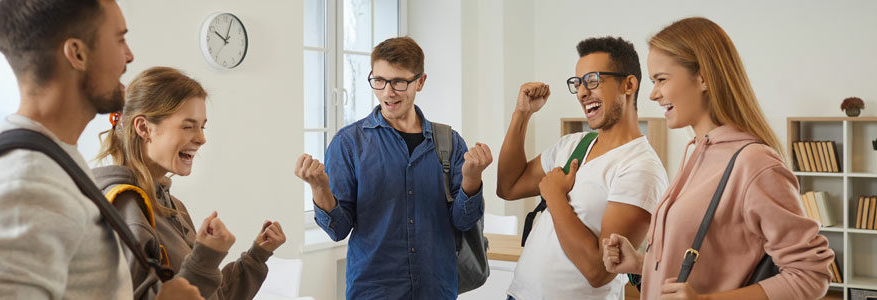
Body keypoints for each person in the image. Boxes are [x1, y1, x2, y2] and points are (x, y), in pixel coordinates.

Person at [602, 17, 835, 300]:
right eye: (652, 81)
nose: (652, 94)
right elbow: (713, 262)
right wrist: (641, 263)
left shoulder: (755, 164)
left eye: (661, 79)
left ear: (704, 77)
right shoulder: (698, 152)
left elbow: (811, 275)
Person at [0, 0, 202, 299]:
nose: (129, 56)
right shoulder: (29, 187)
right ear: (77, 54)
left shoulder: (58, 163)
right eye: (119, 39)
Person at [294, 37, 491, 299]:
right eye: (379, 80)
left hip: (436, 288)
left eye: (399, 82)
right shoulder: (349, 143)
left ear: (420, 82)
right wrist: (319, 188)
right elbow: (338, 230)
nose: (388, 92)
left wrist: (472, 179)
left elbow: (464, 220)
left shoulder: (450, 142)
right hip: (373, 290)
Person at [93, 66, 287, 300]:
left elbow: (209, 295)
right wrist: (205, 258)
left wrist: (257, 256)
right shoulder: (125, 209)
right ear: (144, 128)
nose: (201, 138)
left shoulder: (172, 206)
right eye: (188, 126)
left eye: (202, 126)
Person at [496, 36, 668, 300]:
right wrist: (522, 114)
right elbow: (508, 186)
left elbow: (599, 271)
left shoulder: (640, 167)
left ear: (628, 84)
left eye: (593, 81)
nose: (582, 92)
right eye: (577, 83)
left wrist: (554, 196)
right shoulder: (574, 144)